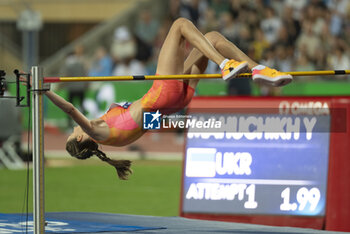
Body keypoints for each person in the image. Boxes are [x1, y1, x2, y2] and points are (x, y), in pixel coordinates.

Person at [41, 18, 292, 180]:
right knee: (180, 24)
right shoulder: (95, 131)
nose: (74, 128)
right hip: (163, 96)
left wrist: (162, 109)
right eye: (73, 132)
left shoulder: (112, 136)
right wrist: (44, 91)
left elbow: (149, 123)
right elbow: (71, 108)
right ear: (81, 137)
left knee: (212, 38)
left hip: (175, 102)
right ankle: (226, 64)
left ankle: (257, 69)